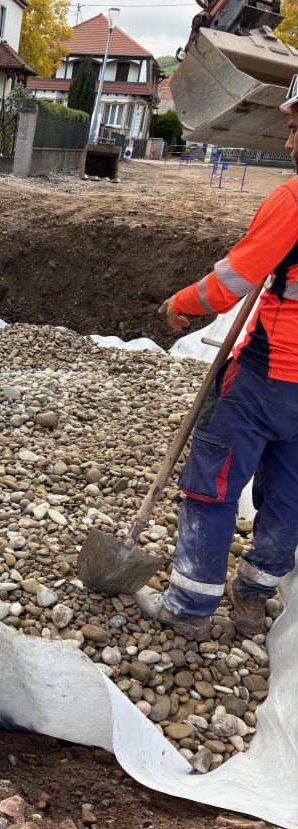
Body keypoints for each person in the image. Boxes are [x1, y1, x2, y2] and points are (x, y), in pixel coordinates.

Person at [137, 84, 298, 641]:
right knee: (290, 492)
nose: (288, 138)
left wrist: (179, 305)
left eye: (297, 128)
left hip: (267, 374)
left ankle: (190, 605)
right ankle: (254, 597)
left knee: (213, 480)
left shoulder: (294, 201)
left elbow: (230, 283)